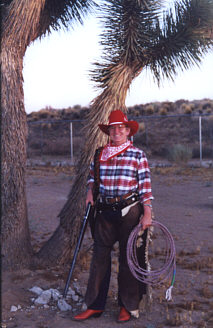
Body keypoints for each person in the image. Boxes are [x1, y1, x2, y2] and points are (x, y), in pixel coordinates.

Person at [73, 110, 153, 323]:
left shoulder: (137, 155)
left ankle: (127, 305)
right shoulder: (100, 154)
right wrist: (90, 191)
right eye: (113, 128)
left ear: (128, 131)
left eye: (121, 128)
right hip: (105, 211)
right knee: (99, 257)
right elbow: (93, 178)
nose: (117, 131)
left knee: (128, 258)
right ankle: (94, 305)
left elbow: (145, 186)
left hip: (130, 211)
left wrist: (147, 212)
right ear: (108, 131)